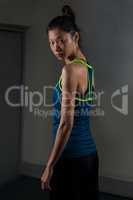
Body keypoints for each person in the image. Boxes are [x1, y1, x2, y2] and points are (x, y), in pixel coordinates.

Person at [41, 5, 99, 200]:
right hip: (88, 158)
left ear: (75, 38)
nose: (56, 47)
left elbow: (66, 124)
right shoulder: (88, 67)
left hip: (71, 160)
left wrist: (49, 165)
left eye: (61, 41)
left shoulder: (70, 71)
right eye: (51, 43)